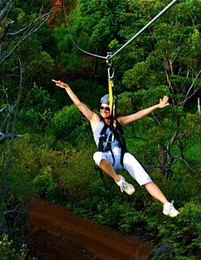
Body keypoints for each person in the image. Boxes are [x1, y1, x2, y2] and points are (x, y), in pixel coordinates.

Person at [52, 79, 179, 217]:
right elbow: (79, 104)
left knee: (144, 177)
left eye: (107, 108)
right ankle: (120, 181)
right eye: (101, 108)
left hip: (123, 156)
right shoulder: (95, 119)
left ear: (113, 109)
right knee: (97, 156)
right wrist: (67, 87)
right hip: (108, 158)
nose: (103, 111)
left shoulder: (118, 121)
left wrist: (156, 106)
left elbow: (138, 115)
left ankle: (166, 204)